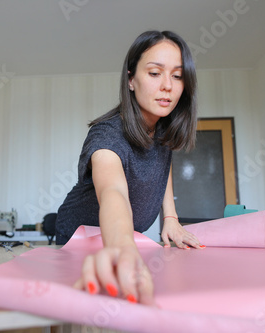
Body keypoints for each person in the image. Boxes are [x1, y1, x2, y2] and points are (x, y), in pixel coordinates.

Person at [55, 30, 204, 305]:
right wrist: (123, 248)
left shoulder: (161, 129)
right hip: (78, 236)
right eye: (155, 73)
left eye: (177, 75)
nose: (168, 86)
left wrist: (170, 217)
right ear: (131, 80)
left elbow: (162, 167)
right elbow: (113, 191)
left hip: (119, 239)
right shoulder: (107, 135)